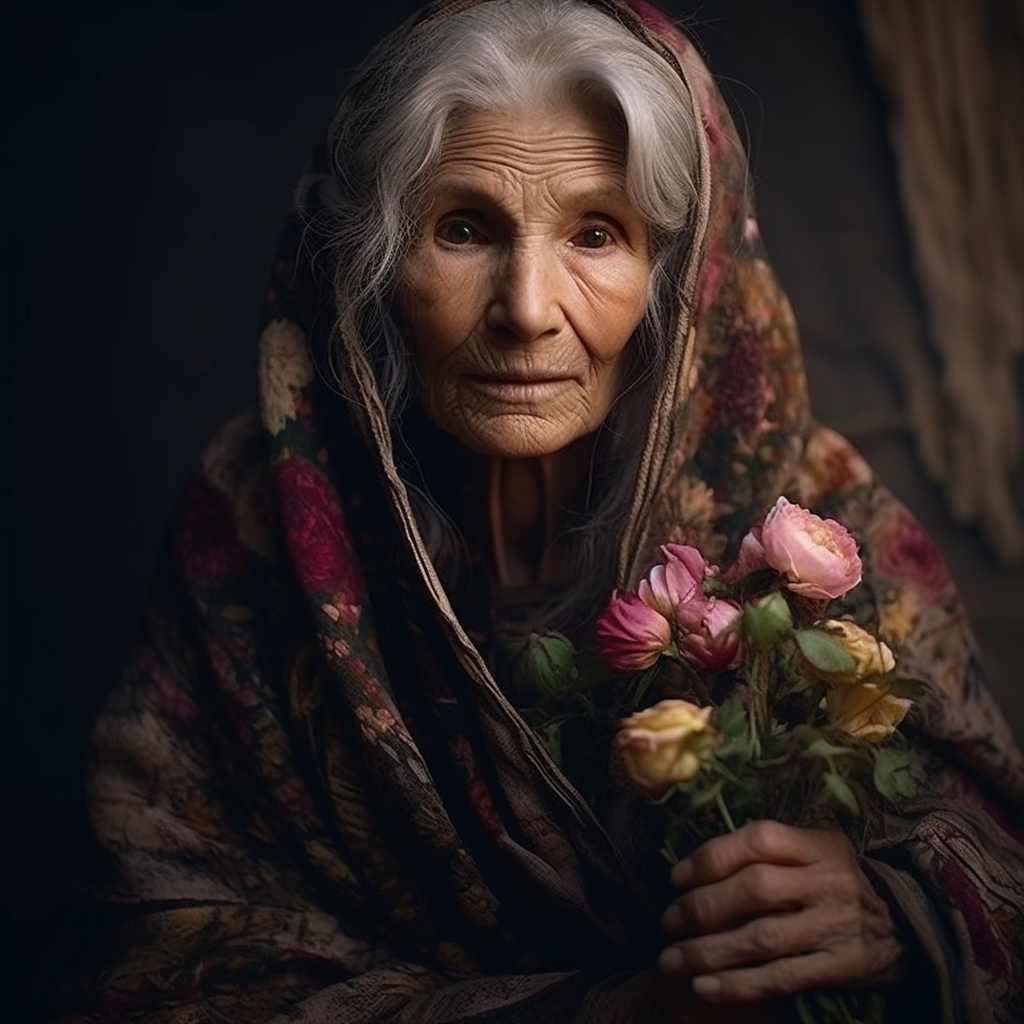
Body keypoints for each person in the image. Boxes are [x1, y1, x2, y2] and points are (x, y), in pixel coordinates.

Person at [49, 1, 1024, 1021]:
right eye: (462, 227)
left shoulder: (815, 529)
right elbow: (156, 956)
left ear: (675, 281)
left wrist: (889, 909)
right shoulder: (261, 525)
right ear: (373, 270)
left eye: (596, 233)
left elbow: (998, 872)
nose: (524, 307)